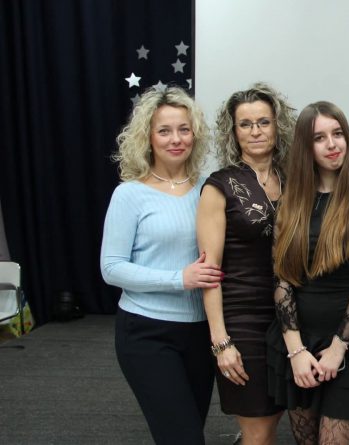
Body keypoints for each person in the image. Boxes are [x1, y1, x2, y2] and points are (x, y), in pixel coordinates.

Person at [266, 101, 349, 444]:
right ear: (305, 148)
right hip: (299, 346)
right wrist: (296, 351)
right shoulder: (289, 202)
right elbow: (281, 279)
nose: (332, 144)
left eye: (338, 134)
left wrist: (339, 347)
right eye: (319, 138)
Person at [100, 86, 220, 444]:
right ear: (148, 137)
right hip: (146, 333)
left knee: (188, 432)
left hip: (200, 333)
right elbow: (111, 267)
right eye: (164, 131)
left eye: (184, 129)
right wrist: (179, 278)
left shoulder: (209, 189)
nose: (176, 139)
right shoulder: (129, 194)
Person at [196, 83, 296, 444]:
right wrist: (221, 342)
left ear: (277, 127)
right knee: (258, 431)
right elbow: (209, 271)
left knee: (271, 424)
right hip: (242, 320)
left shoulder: (294, 180)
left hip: (290, 319)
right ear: (233, 131)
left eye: (263, 122)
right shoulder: (219, 186)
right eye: (246, 124)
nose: (256, 131)